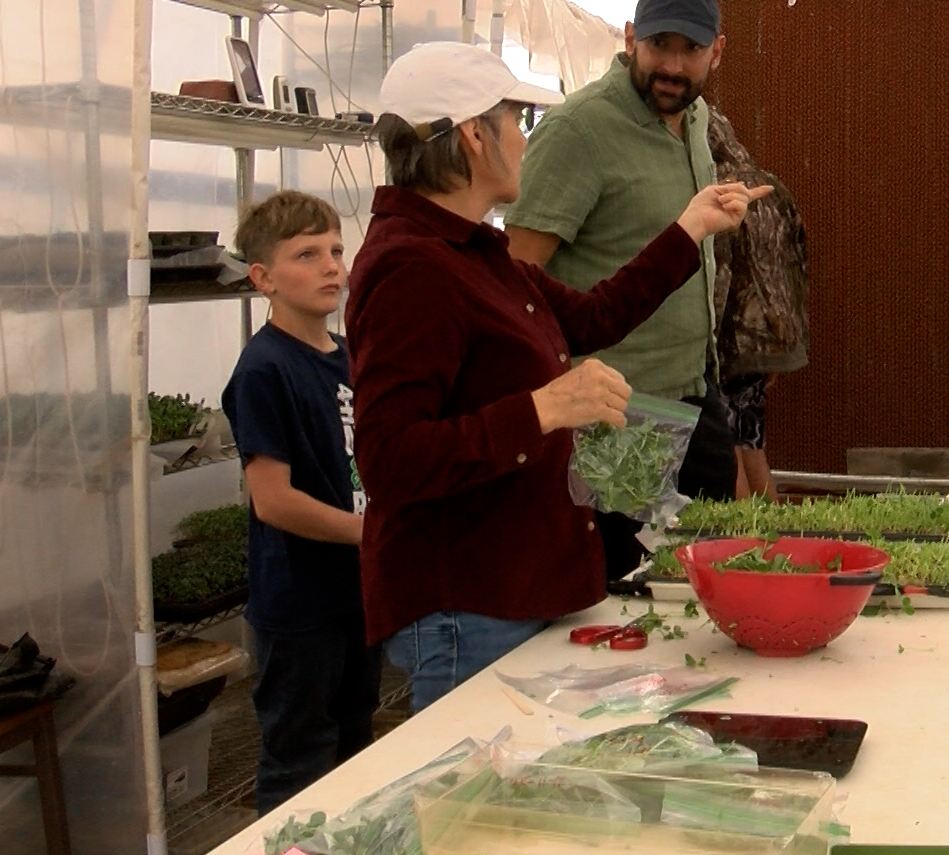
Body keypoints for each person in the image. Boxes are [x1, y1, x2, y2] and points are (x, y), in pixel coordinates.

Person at [346, 42, 765, 712]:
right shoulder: (412, 270)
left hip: (516, 589)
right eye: (516, 119)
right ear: (475, 138)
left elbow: (596, 315)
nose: (525, 137)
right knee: (485, 809)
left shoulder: (475, 256)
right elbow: (388, 459)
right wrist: (541, 410)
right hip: (469, 605)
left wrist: (692, 227)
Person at [505, 0, 739, 580]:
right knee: (620, 605)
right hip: (613, 421)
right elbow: (513, 281)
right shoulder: (578, 129)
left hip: (693, 399)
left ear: (718, 50)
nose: (675, 66)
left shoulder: (698, 117)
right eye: (661, 45)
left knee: (708, 594)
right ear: (632, 37)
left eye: (691, 50)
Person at [220, 191, 380, 815]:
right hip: (300, 606)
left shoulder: (346, 358)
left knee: (356, 745)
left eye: (336, 251)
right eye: (307, 254)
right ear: (263, 277)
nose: (331, 267)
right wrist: (367, 533)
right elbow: (274, 501)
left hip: (355, 595)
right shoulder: (263, 370)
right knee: (299, 760)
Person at [707, 107, 808, 500]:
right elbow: (798, 265)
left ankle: (743, 543)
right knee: (751, 441)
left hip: (732, 337)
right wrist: (788, 337)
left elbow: (719, 275)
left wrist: (707, 345)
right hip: (772, 334)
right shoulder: (774, 187)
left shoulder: (717, 190)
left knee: (727, 444)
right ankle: (774, 540)